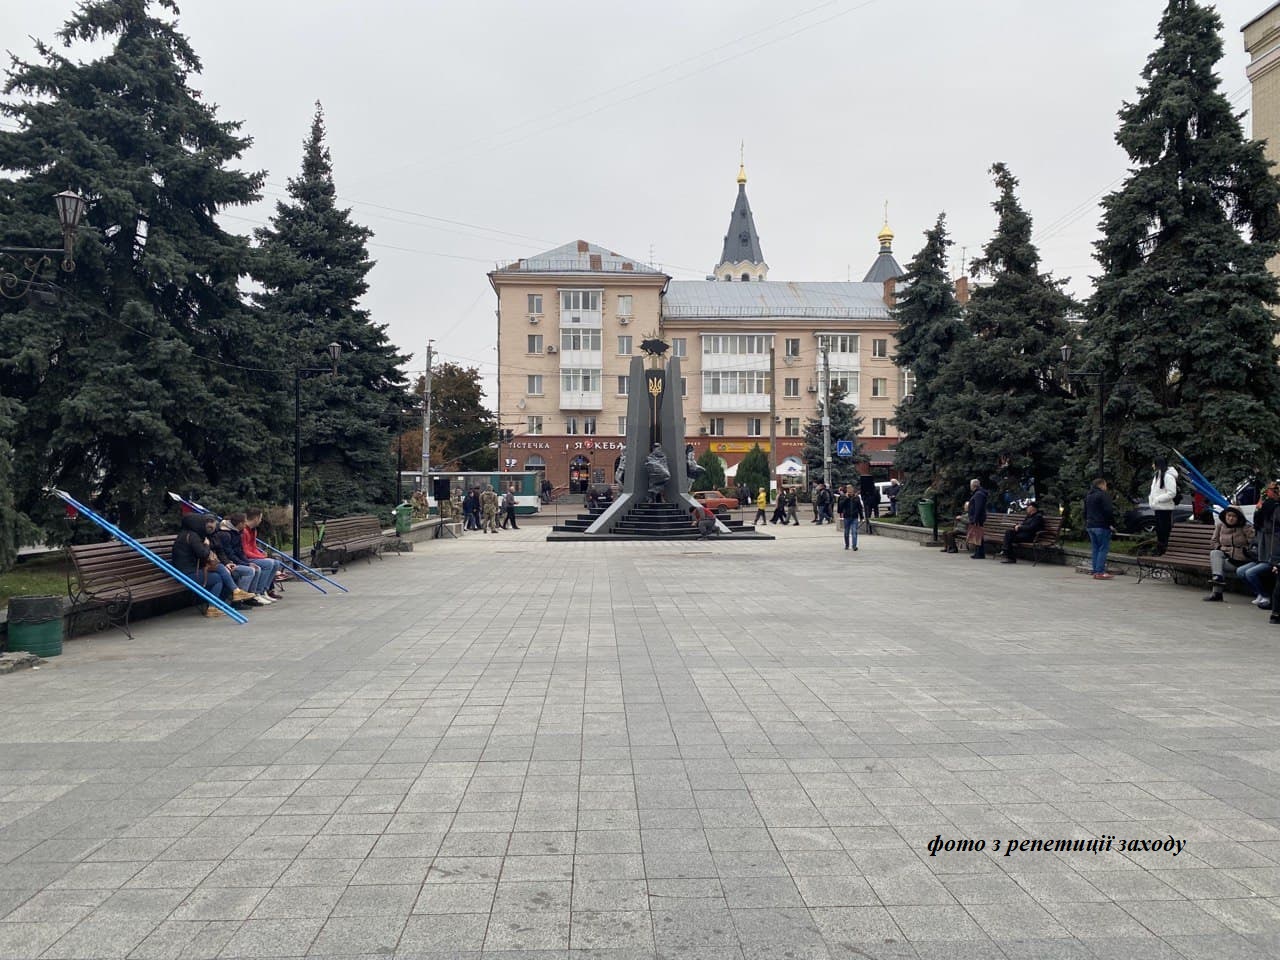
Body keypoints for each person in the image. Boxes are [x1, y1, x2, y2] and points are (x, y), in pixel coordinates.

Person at [172, 513, 252, 617]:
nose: (204, 524)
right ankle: (233, 592)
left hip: (189, 571)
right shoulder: (192, 536)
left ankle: (214, 606)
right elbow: (203, 553)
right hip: (187, 574)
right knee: (218, 575)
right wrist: (206, 545)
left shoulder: (188, 534)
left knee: (218, 576)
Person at [1241, 481, 1280, 607]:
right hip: (1262, 557)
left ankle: (1266, 596)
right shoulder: (1262, 526)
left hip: (1272, 559)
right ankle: (1260, 594)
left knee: (1250, 573)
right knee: (1242, 571)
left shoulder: (1274, 523)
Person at [212, 515, 268, 603]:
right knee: (250, 571)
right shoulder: (225, 534)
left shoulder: (237, 532)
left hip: (233, 561)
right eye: (245, 522)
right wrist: (245, 564)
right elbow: (229, 553)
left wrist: (247, 562)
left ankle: (251, 596)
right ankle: (238, 600)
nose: (246, 524)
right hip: (228, 562)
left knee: (257, 568)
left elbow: (240, 551)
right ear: (240, 523)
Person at [1204, 506, 1254, 602]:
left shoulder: (1245, 526)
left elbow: (1254, 543)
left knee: (1218, 565)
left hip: (1242, 561)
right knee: (1215, 553)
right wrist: (1221, 548)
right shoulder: (1220, 526)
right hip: (1226, 558)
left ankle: (1217, 593)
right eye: (1229, 515)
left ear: (1239, 517)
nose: (1230, 518)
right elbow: (1214, 541)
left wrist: (1245, 551)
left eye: (1234, 516)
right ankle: (1217, 578)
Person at [242, 509, 286, 599]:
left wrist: (261, 555)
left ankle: (266, 589)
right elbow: (245, 551)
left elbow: (253, 547)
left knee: (276, 562)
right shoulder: (244, 531)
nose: (261, 520)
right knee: (268, 563)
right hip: (246, 558)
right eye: (260, 518)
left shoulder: (253, 530)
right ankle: (259, 591)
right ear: (256, 518)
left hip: (253, 555)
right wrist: (261, 557)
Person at [1083, 478, 1116, 580]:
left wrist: (1088, 521)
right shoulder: (1103, 495)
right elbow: (1108, 510)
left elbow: (1084, 512)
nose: (1106, 488)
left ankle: (1096, 570)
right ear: (1101, 485)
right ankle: (1100, 572)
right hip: (1102, 525)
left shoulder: (1088, 496)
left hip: (1090, 525)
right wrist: (1111, 524)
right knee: (1103, 548)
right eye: (1105, 485)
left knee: (1095, 548)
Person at [1149, 457, 1180, 555]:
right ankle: (1160, 549)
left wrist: (1158, 499)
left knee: (1164, 530)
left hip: (1165, 508)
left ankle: (1164, 550)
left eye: (1154, 463)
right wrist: (1152, 500)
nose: (1152, 465)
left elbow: (1172, 493)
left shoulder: (1168, 476)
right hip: (1158, 507)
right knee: (1159, 530)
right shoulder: (1158, 475)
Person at [967, 479, 988, 559]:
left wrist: (975, 519)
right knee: (978, 535)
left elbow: (978, 508)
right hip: (977, 517)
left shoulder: (979, 494)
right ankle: (978, 552)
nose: (970, 487)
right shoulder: (978, 493)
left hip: (978, 518)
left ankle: (979, 553)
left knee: (978, 535)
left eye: (971, 485)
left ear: (973, 486)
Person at [837, 484, 863, 551]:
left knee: (854, 532)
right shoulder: (843, 497)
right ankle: (847, 545)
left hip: (854, 517)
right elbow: (841, 506)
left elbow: (860, 507)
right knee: (846, 532)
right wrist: (847, 498)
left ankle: (854, 546)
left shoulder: (856, 497)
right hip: (847, 517)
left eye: (851, 490)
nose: (850, 491)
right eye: (849, 490)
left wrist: (861, 516)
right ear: (847, 490)